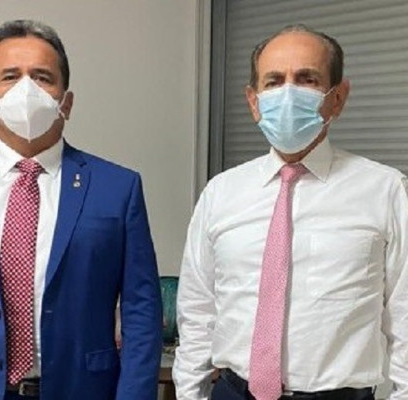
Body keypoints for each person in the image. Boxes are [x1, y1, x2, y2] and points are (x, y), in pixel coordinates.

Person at [173, 24, 408, 400]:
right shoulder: (221, 193)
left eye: (307, 79)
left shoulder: (386, 190)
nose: (287, 93)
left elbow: (405, 314)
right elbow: (197, 311)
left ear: (338, 98)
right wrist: (190, 394)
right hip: (233, 391)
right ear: (253, 101)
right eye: (273, 81)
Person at [0, 19, 162, 400]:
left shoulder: (118, 188)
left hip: (83, 389)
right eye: (10, 77)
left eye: (42, 77)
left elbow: (142, 310)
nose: (26, 89)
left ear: (65, 101)